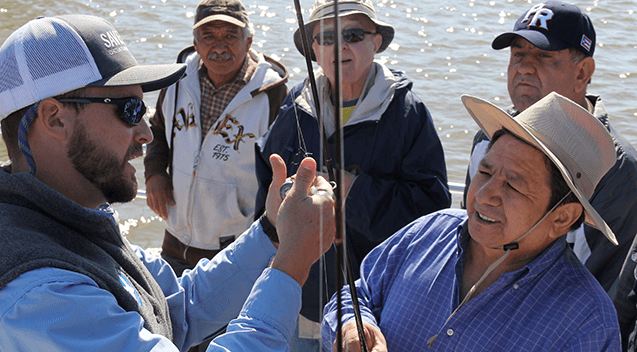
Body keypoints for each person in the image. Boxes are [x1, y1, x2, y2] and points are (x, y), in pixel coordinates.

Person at [0, 14, 335, 352]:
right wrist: (289, 269)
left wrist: (272, 231)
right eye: (128, 110)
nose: (146, 133)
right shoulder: (38, 296)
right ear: (55, 119)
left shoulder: (73, 223)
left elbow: (180, 307)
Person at [323, 92, 621, 351]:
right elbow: (356, 293)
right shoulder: (429, 231)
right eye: (485, 172)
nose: (486, 194)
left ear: (562, 217)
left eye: (513, 185)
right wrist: (351, 326)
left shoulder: (588, 321)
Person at [255, 0, 451, 349]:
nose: (339, 46)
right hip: (296, 296)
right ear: (313, 49)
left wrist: (352, 190)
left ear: (376, 42)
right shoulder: (295, 105)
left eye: (354, 35)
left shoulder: (409, 113)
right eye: (327, 37)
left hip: (370, 307)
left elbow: (431, 213)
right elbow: (265, 190)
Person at [462, 1, 637, 297]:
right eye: (518, 54)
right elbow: (470, 234)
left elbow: (606, 288)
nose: (524, 67)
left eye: (543, 56)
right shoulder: (488, 135)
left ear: (582, 73)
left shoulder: (616, 168)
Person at [144, 0, 289, 277]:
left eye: (230, 36)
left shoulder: (273, 95)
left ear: (248, 42)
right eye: (208, 36)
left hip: (234, 248)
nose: (219, 47)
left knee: (225, 321)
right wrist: (154, 174)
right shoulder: (176, 80)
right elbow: (158, 129)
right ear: (196, 44)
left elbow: (281, 173)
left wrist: (268, 237)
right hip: (174, 241)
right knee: (169, 317)